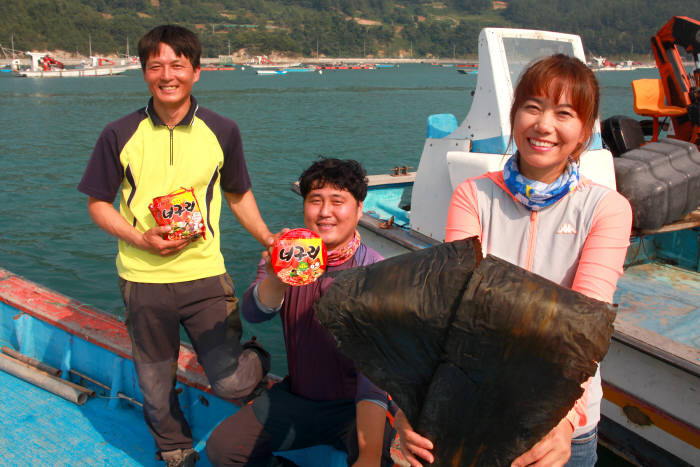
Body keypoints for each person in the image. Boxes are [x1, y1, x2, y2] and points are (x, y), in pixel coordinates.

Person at [394, 54, 633, 467]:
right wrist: (409, 401)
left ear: (584, 132)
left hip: (563, 425)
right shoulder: (474, 195)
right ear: (515, 114)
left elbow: (583, 327)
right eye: (533, 107)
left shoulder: (606, 208)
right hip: (477, 408)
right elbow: (450, 308)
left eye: (564, 113)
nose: (544, 125)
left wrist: (563, 421)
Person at [77, 25, 274, 467]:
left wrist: (268, 238)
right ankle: (174, 448)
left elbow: (238, 193)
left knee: (230, 382)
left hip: (206, 276)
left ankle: (257, 360)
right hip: (142, 280)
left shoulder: (222, 130)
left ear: (197, 72)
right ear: (144, 72)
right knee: (153, 380)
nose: (167, 74)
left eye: (177, 64)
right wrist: (138, 237)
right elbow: (97, 204)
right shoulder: (118, 133)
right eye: (156, 65)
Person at [206, 158, 396, 467]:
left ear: (360, 209)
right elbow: (255, 313)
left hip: (358, 405)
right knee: (223, 449)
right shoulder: (286, 256)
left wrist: (370, 454)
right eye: (315, 201)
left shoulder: (376, 273)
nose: (325, 212)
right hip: (299, 398)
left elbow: (374, 376)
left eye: (338, 202)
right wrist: (275, 278)